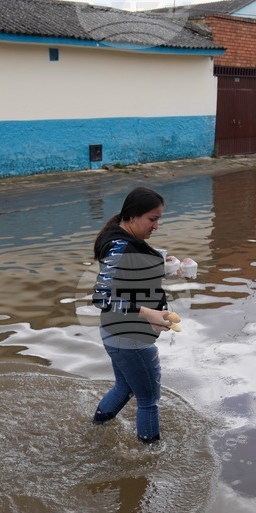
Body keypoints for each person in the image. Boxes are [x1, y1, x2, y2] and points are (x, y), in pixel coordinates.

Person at [91, 187, 173, 444]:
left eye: (158, 219)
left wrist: (170, 268)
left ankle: (96, 429)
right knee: (148, 400)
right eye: (152, 219)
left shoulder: (122, 237)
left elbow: (131, 271)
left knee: (124, 388)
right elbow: (101, 297)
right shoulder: (118, 247)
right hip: (130, 338)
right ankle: (150, 456)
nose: (156, 226)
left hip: (116, 333)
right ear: (133, 215)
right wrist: (149, 314)